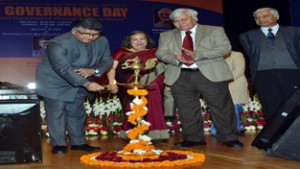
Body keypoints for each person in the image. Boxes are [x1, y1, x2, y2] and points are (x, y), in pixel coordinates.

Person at [156, 8, 243, 148]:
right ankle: (193, 138)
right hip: (180, 75)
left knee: (221, 107)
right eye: (176, 21)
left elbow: (225, 48)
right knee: (186, 109)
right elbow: (161, 53)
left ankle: (229, 137)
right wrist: (176, 59)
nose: (180, 23)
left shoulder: (214, 30)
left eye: (184, 19)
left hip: (210, 74)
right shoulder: (167, 35)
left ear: (195, 19)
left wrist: (197, 55)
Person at [36, 17, 113, 154]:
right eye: (86, 34)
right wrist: (87, 83)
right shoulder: (57, 43)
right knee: (57, 111)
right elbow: (62, 68)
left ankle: (78, 143)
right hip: (55, 80)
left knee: (77, 111)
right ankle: (59, 144)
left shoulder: (102, 41)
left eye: (95, 34)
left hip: (80, 80)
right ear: (74, 31)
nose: (91, 37)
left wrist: (93, 70)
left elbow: (107, 60)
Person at [106, 30, 170, 141]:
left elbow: (164, 69)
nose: (139, 42)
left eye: (142, 39)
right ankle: (132, 132)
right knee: (132, 107)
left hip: (153, 86)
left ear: (147, 40)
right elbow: (111, 68)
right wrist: (111, 83)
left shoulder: (156, 52)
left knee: (154, 103)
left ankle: (155, 133)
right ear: (129, 41)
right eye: (135, 39)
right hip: (130, 86)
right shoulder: (121, 51)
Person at [239, 7, 300, 120]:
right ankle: (274, 136)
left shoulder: (295, 32)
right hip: (263, 75)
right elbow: (252, 54)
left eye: (265, 16)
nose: (261, 19)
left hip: (292, 74)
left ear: (276, 17)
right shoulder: (247, 36)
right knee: (271, 107)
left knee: (294, 106)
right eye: (257, 18)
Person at [211, 51, 250, 134]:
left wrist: (223, 80)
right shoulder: (214, 56)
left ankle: (235, 128)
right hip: (218, 87)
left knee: (235, 108)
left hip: (235, 86)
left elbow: (239, 70)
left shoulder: (237, 55)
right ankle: (218, 129)